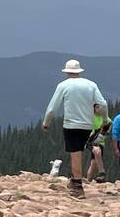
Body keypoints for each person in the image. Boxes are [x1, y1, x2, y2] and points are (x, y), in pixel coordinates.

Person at [41, 59, 107, 196]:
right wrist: (105, 118)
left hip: (71, 124)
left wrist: (46, 123)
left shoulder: (63, 85)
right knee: (79, 151)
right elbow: (103, 103)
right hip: (87, 125)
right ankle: (74, 179)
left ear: (66, 71)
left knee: (75, 153)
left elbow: (52, 108)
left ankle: (77, 186)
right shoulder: (91, 85)